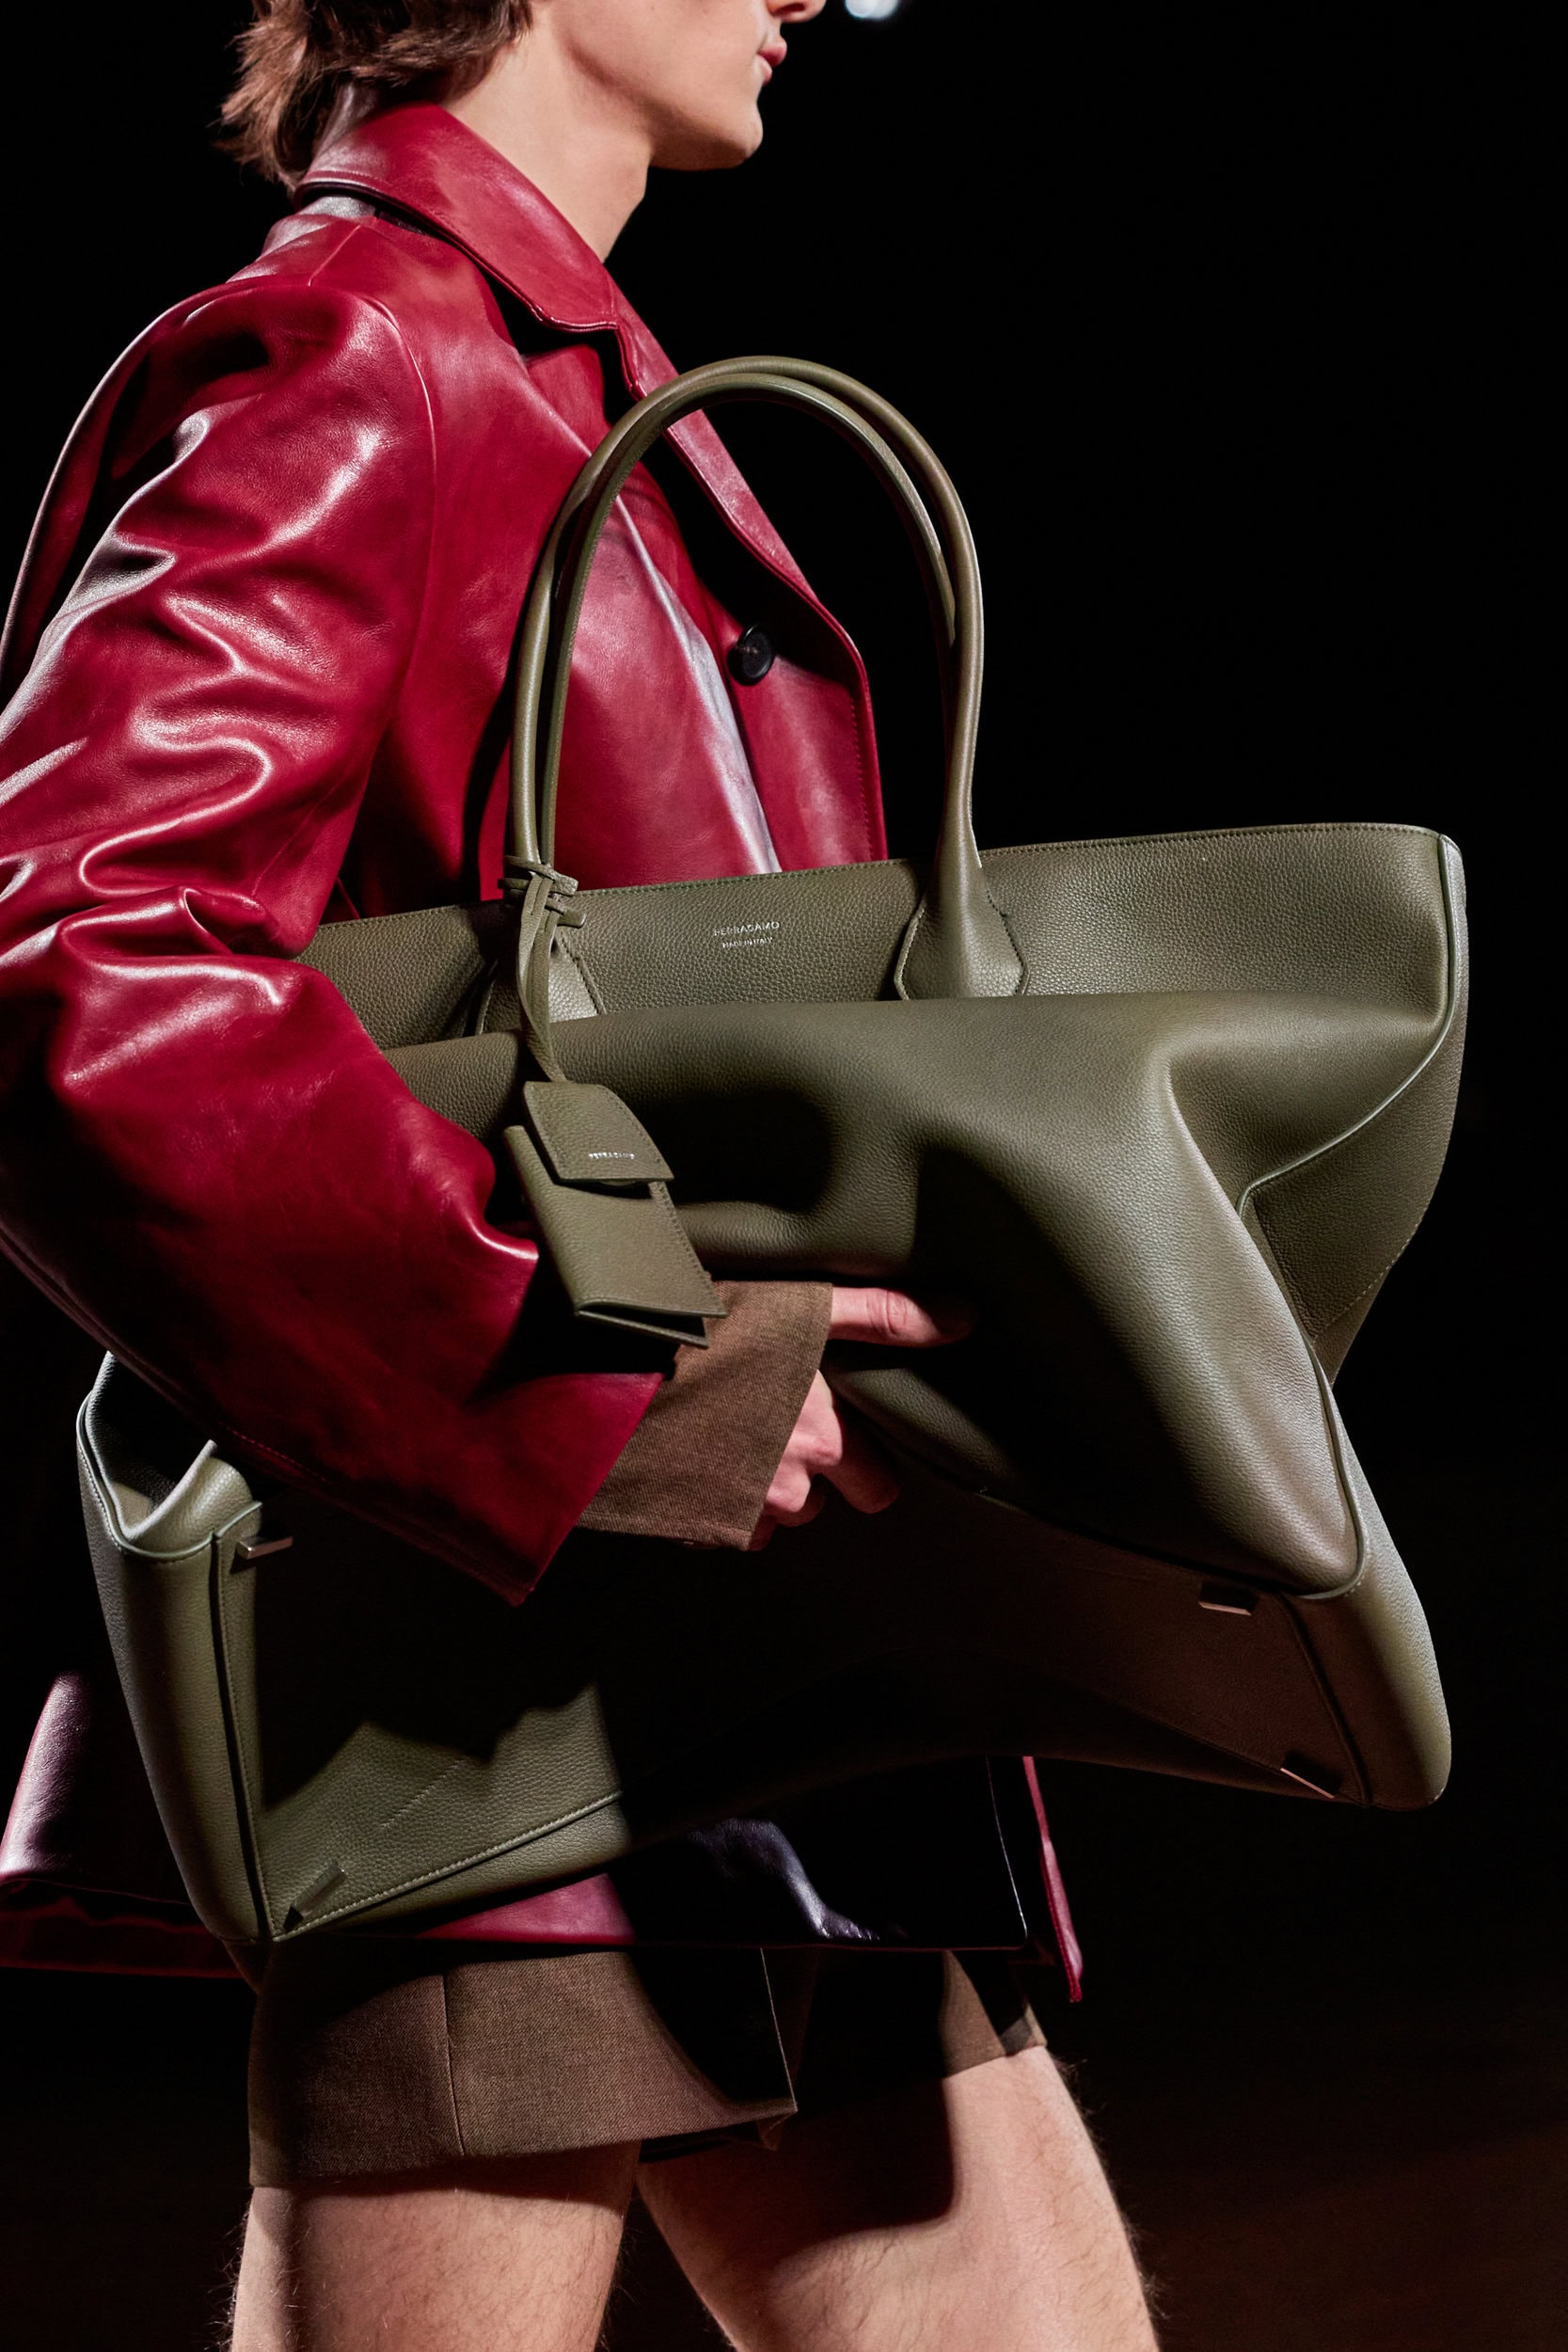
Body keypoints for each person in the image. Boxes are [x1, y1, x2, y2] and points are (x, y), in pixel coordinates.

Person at [0, 3, 1158, 2344]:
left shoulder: (559, 369)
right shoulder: (364, 346)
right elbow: (68, 975)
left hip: (758, 1692)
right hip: (507, 1726)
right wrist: (602, 1370)